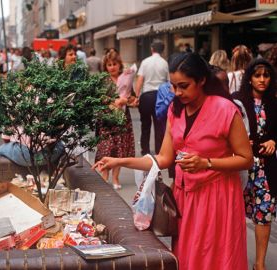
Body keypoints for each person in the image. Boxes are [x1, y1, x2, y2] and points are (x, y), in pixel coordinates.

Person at [93, 53, 253, 270]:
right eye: (173, 86)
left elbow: (246, 159)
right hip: (184, 199)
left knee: (216, 258)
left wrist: (206, 163)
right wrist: (119, 161)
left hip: (218, 198)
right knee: (188, 258)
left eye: (184, 86)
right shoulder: (175, 110)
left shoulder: (225, 109)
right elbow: (164, 158)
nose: (177, 92)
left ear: (202, 80)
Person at [232, 58, 277, 270]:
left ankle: (259, 264)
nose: (262, 80)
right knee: (233, 215)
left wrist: (274, 141)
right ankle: (233, 260)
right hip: (240, 167)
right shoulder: (236, 101)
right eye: (257, 75)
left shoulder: (275, 102)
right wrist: (239, 140)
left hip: (265, 170)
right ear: (249, 78)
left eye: (266, 76)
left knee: (264, 215)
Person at [95, 50, 135, 190]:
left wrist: (128, 100)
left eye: (115, 64)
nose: (112, 67)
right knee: (106, 148)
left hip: (122, 119)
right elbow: (98, 98)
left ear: (119, 65)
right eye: (109, 64)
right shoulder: (103, 80)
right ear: (105, 66)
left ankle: (116, 178)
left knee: (119, 149)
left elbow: (132, 97)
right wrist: (113, 102)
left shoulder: (126, 78)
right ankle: (105, 177)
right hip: (106, 119)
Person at [135, 39, 169, 155]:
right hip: (160, 97)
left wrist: (137, 96)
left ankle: (145, 150)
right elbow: (169, 82)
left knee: (145, 125)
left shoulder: (145, 62)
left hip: (146, 96)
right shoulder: (165, 63)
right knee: (159, 125)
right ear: (162, 50)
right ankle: (159, 151)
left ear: (152, 49)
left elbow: (140, 79)